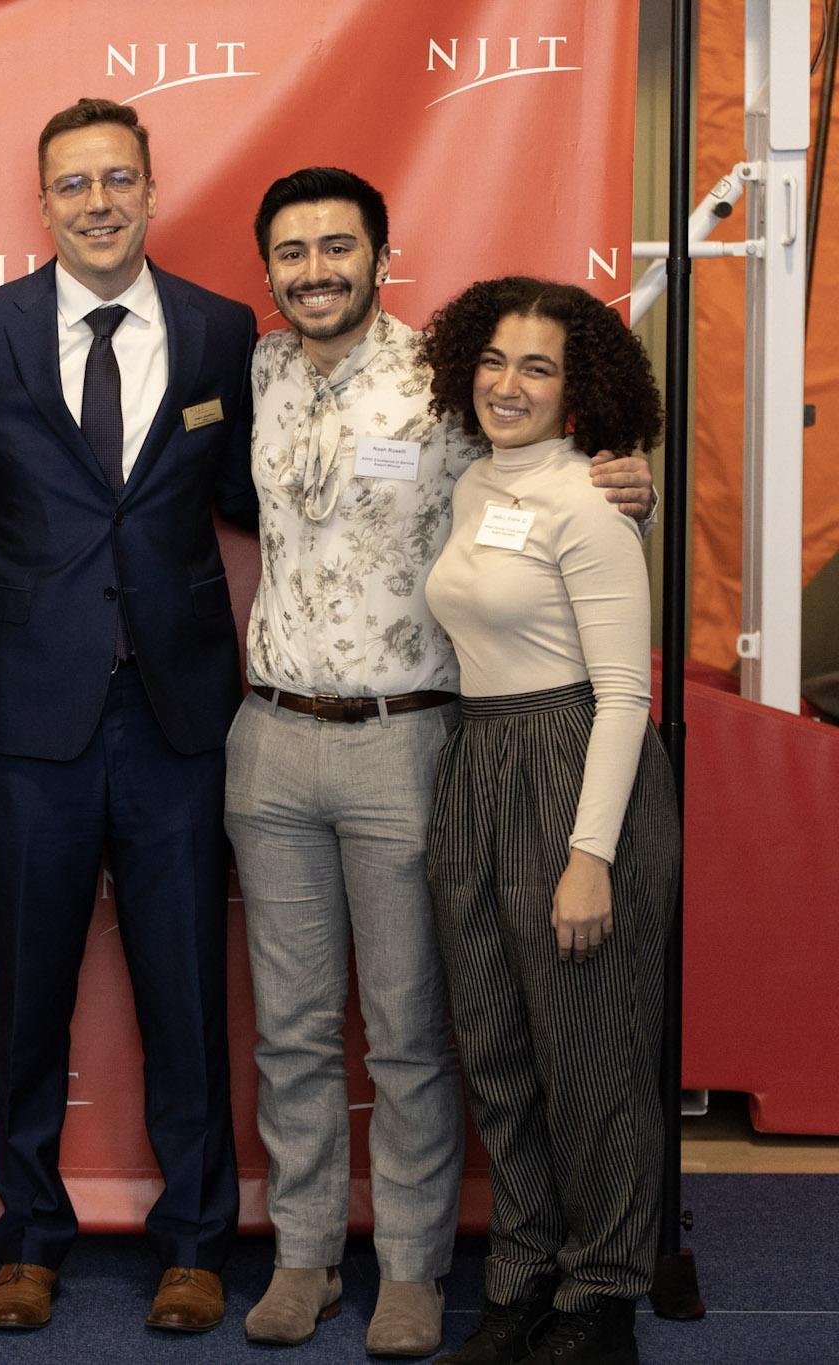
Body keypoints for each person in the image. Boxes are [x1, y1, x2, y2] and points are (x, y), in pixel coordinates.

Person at [230, 170, 657, 1356]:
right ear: (266, 269)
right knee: (289, 1031)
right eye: (290, 252)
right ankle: (305, 1256)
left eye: (337, 247)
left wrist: (629, 477)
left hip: (407, 738)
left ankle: (412, 1270)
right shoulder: (257, 370)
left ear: (380, 256)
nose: (314, 269)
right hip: (266, 739)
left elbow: (556, 464)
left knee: (409, 1034)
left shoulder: (448, 378)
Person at [0, 96, 255, 1334]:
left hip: (177, 718)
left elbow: (259, 495)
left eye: (116, 180)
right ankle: (27, 1238)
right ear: (41, 203)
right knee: (27, 995)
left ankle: (196, 1243)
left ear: (150, 192)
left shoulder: (220, 332)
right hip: (19, 721)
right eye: (72, 184)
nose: (96, 203)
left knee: (186, 995)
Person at [418, 278, 678, 1365]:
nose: (507, 384)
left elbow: (624, 694)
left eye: (537, 367)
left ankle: (602, 1298)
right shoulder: (475, 479)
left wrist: (589, 857)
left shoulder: (589, 497)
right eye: (493, 360)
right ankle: (521, 1279)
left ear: (579, 388)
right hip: (478, 761)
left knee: (590, 1056)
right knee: (496, 1048)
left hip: (574, 765)